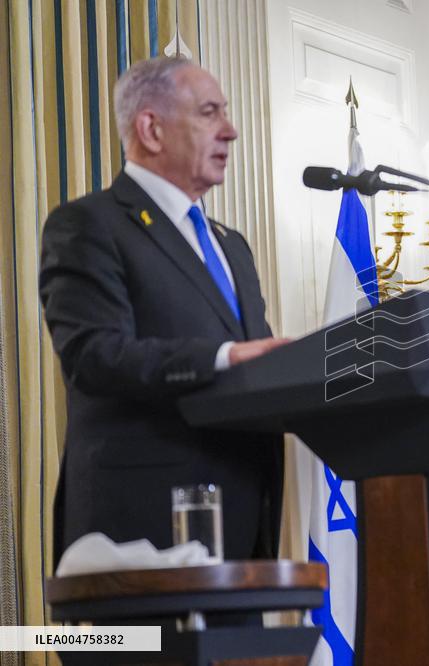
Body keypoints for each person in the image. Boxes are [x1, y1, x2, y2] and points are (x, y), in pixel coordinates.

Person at [39, 57, 288, 563]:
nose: (231, 131)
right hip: (138, 533)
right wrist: (225, 357)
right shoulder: (89, 224)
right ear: (151, 128)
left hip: (240, 525)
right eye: (209, 113)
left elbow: (254, 368)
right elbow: (95, 356)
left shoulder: (231, 245)